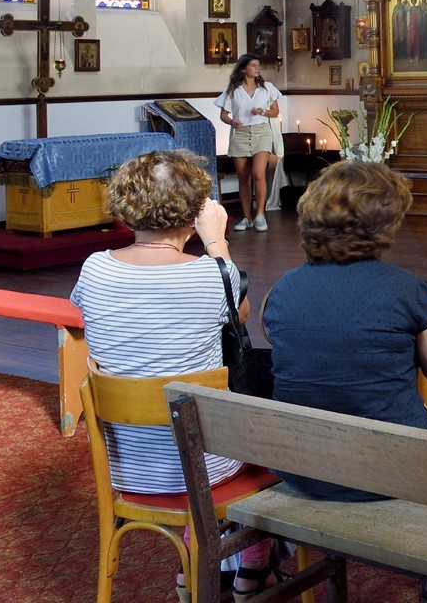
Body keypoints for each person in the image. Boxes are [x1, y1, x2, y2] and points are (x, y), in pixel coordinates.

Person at [70, 151, 276, 601]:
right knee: (265, 428)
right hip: (202, 469)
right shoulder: (209, 274)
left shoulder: (95, 267)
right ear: (195, 209)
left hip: (127, 467)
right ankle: (251, 568)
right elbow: (239, 318)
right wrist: (217, 242)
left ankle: (196, 564)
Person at [263, 162, 427, 598]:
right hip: (389, 467)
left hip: (301, 466)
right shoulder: (407, 288)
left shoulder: (283, 289)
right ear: (383, 225)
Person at [215, 55, 282, 232]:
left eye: (258, 65)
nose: (257, 68)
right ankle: (247, 217)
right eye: (253, 65)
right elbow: (223, 115)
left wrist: (263, 111)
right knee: (243, 177)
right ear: (243, 69)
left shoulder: (267, 88)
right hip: (241, 134)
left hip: (261, 132)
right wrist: (231, 122)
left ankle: (260, 215)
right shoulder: (233, 90)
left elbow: (275, 112)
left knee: (258, 174)